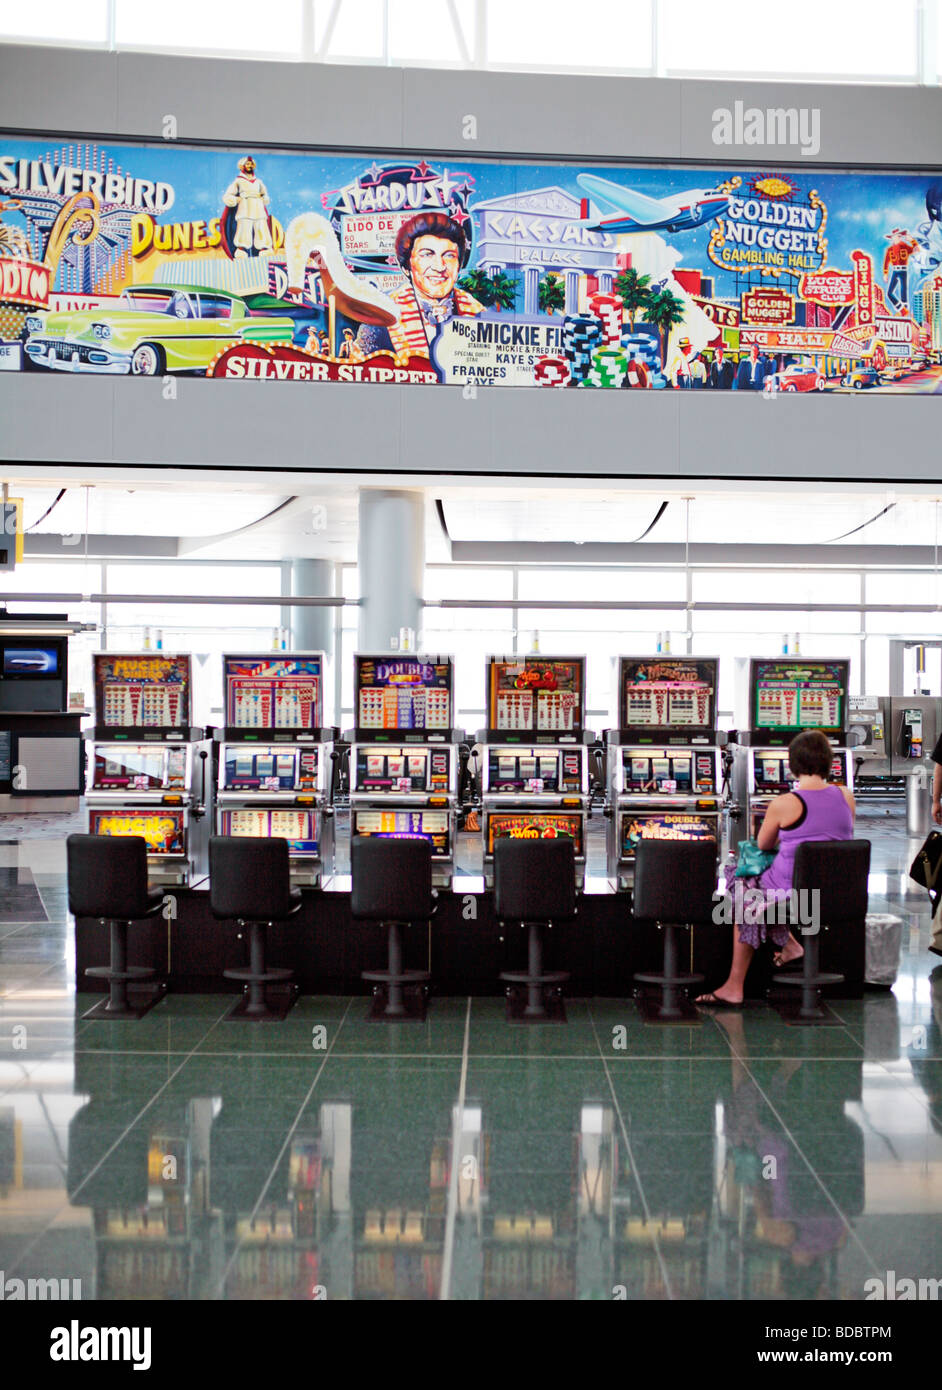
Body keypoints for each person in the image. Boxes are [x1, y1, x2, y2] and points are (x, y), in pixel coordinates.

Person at [697, 729, 856, 1007]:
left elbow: (763, 843)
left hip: (795, 892)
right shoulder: (846, 795)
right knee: (755, 889)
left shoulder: (785, 803)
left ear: (792, 764)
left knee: (741, 880)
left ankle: (735, 984)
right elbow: (835, 833)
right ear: (829, 761)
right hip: (838, 890)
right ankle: (789, 943)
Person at [355, 211, 483, 359]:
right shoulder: (380, 317)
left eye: (449, 255)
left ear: (459, 265)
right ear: (406, 267)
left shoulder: (479, 313)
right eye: (427, 254)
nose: (439, 267)